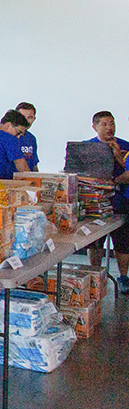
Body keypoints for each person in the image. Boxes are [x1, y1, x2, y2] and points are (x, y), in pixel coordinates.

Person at [85, 111, 129, 293]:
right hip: (94, 202)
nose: (109, 127)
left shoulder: (125, 146)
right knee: (94, 241)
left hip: (120, 201)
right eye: (104, 124)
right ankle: (94, 273)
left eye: (112, 123)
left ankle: (123, 277)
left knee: (123, 242)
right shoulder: (87, 147)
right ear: (95, 127)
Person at [0, 110, 31, 179]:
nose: (18, 137)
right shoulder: (10, 138)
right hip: (1, 183)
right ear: (9, 124)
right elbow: (22, 167)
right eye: (18, 132)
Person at [15, 101, 39, 172]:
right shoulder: (10, 137)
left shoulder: (31, 138)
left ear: (34, 119)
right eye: (23, 117)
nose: (26, 121)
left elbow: (34, 165)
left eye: (30, 117)